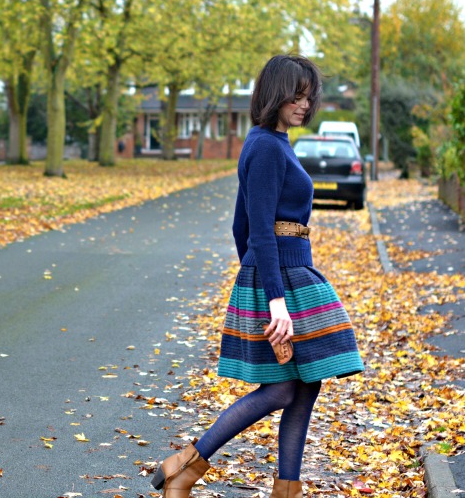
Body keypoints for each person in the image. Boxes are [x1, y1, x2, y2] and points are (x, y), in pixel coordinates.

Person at [151, 55, 364, 498]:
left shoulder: (270, 142)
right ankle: (186, 465)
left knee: (307, 382)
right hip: (283, 277)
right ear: (274, 94)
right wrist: (273, 297)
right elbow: (259, 230)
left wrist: (253, 278)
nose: (304, 104)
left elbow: (239, 228)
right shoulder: (267, 145)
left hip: (285, 271)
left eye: (309, 96)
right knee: (284, 386)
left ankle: (284, 489)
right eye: (295, 95)